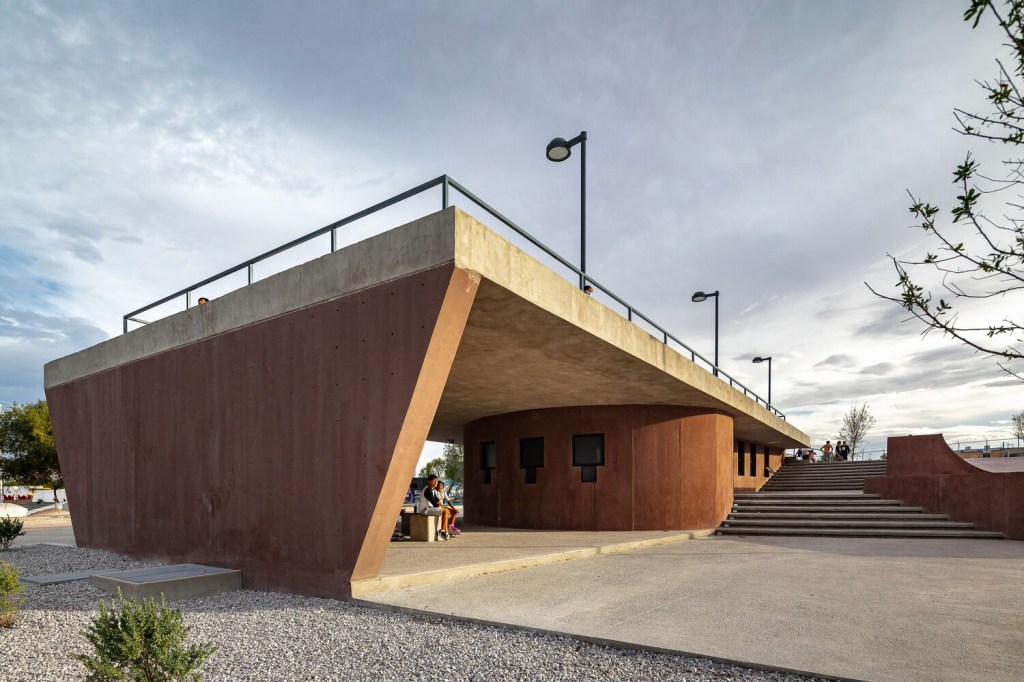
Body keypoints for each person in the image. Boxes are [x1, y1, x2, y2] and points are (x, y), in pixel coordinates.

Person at [416, 475, 450, 540]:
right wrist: (443, 509)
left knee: (446, 511)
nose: (436, 483)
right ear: (429, 481)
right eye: (434, 481)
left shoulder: (432, 490)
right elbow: (434, 503)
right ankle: (442, 531)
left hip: (428, 509)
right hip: (424, 510)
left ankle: (445, 532)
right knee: (445, 511)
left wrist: (444, 507)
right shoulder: (427, 490)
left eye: (436, 481)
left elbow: (437, 500)